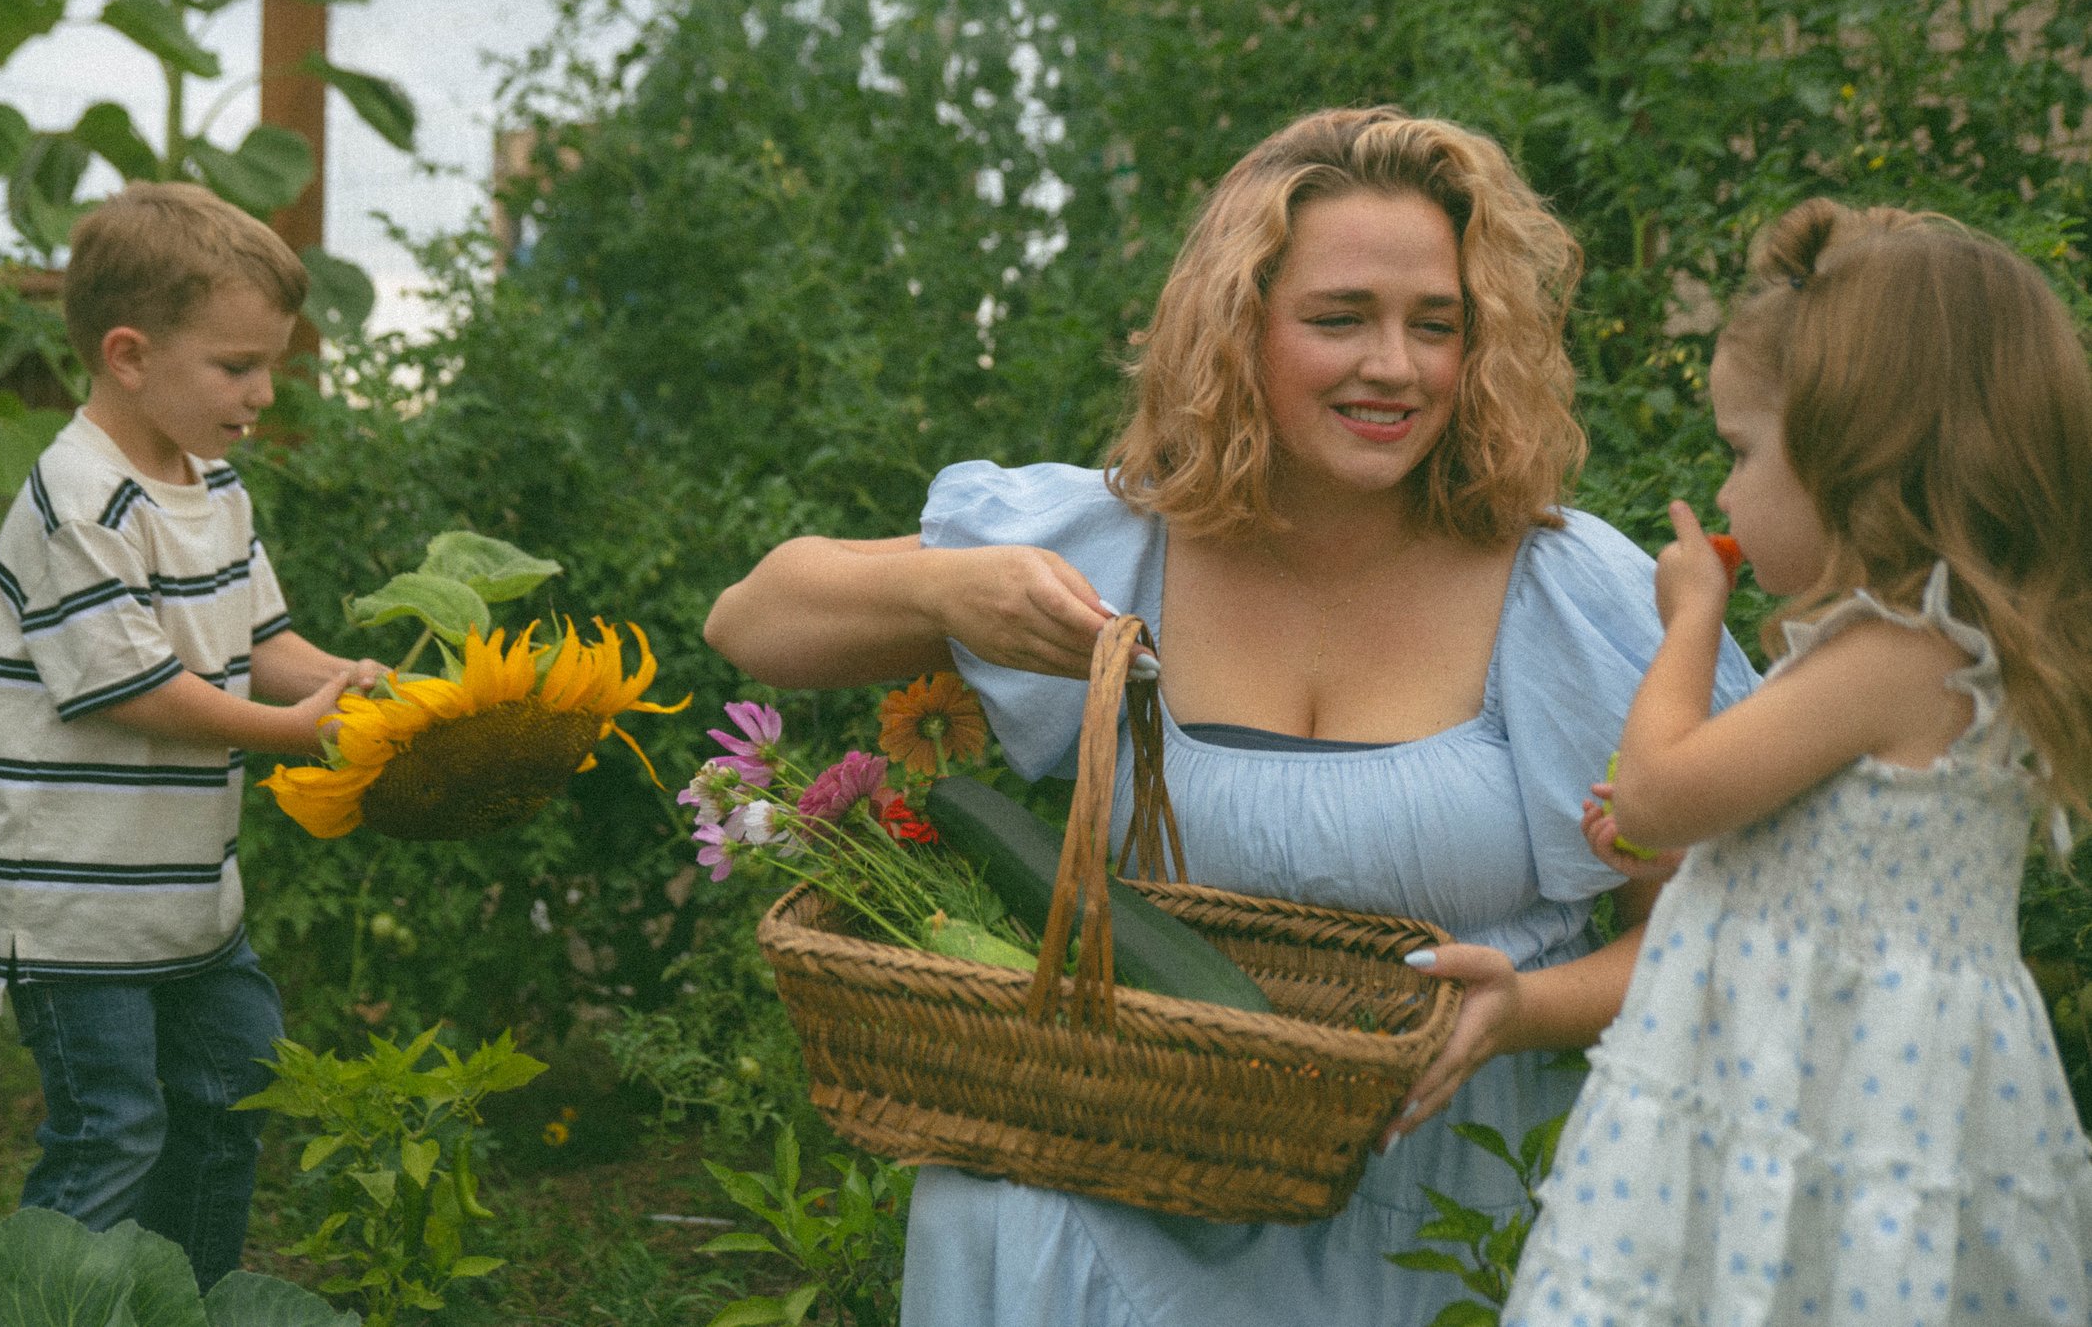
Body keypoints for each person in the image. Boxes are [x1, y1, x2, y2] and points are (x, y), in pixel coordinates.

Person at [705, 106, 1757, 1326]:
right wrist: (947, 589)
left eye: (1437, 325)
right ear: (1239, 326)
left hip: (1462, 1176)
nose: (1395, 367)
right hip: (1163, 1156)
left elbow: (1711, 932)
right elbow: (754, 618)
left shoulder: (1565, 590)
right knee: (997, 1204)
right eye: (1338, 318)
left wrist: (1523, 1012)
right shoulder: (1130, 546)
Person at [1507, 201, 2092, 1325]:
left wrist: (1684, 619)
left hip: (1828, 1086)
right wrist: (1668, 842)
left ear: (1855, 456)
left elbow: (1659, 783)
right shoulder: (1925, 659)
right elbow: (1747, 832)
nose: (1721, 494)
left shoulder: (1891, 657)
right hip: (1854, 1077)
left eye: (1741, 451)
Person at [0, 182, 386, 1287]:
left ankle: (177, 1306)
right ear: (130, 354)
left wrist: (349, 681)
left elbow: (263, 637)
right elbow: (128, 687)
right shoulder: (76, 498)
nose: (263, 390)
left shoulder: (214, 488)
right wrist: (291, 730)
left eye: (268, 363)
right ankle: (33, 1313)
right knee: (112, 1132)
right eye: (236, 366)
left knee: (234, 1087)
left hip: (187, 900)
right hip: (72, 903)